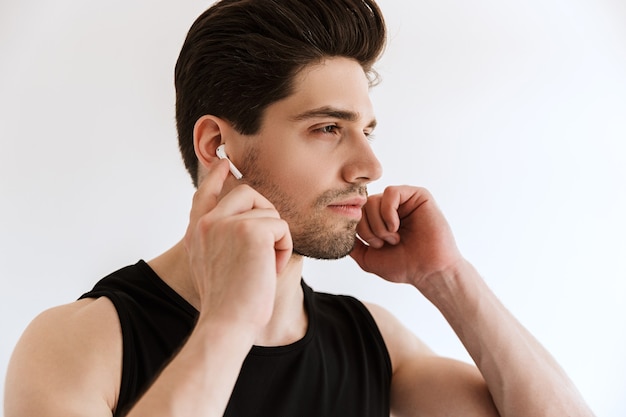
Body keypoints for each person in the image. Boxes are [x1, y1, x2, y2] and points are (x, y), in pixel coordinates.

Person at [5, 0, 595, 416]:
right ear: (218, 146)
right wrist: (230, 321)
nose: (370, 166)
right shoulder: (81, 342)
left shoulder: (372, 344)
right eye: (327, 128)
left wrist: (447, 278)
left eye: (366, 129)